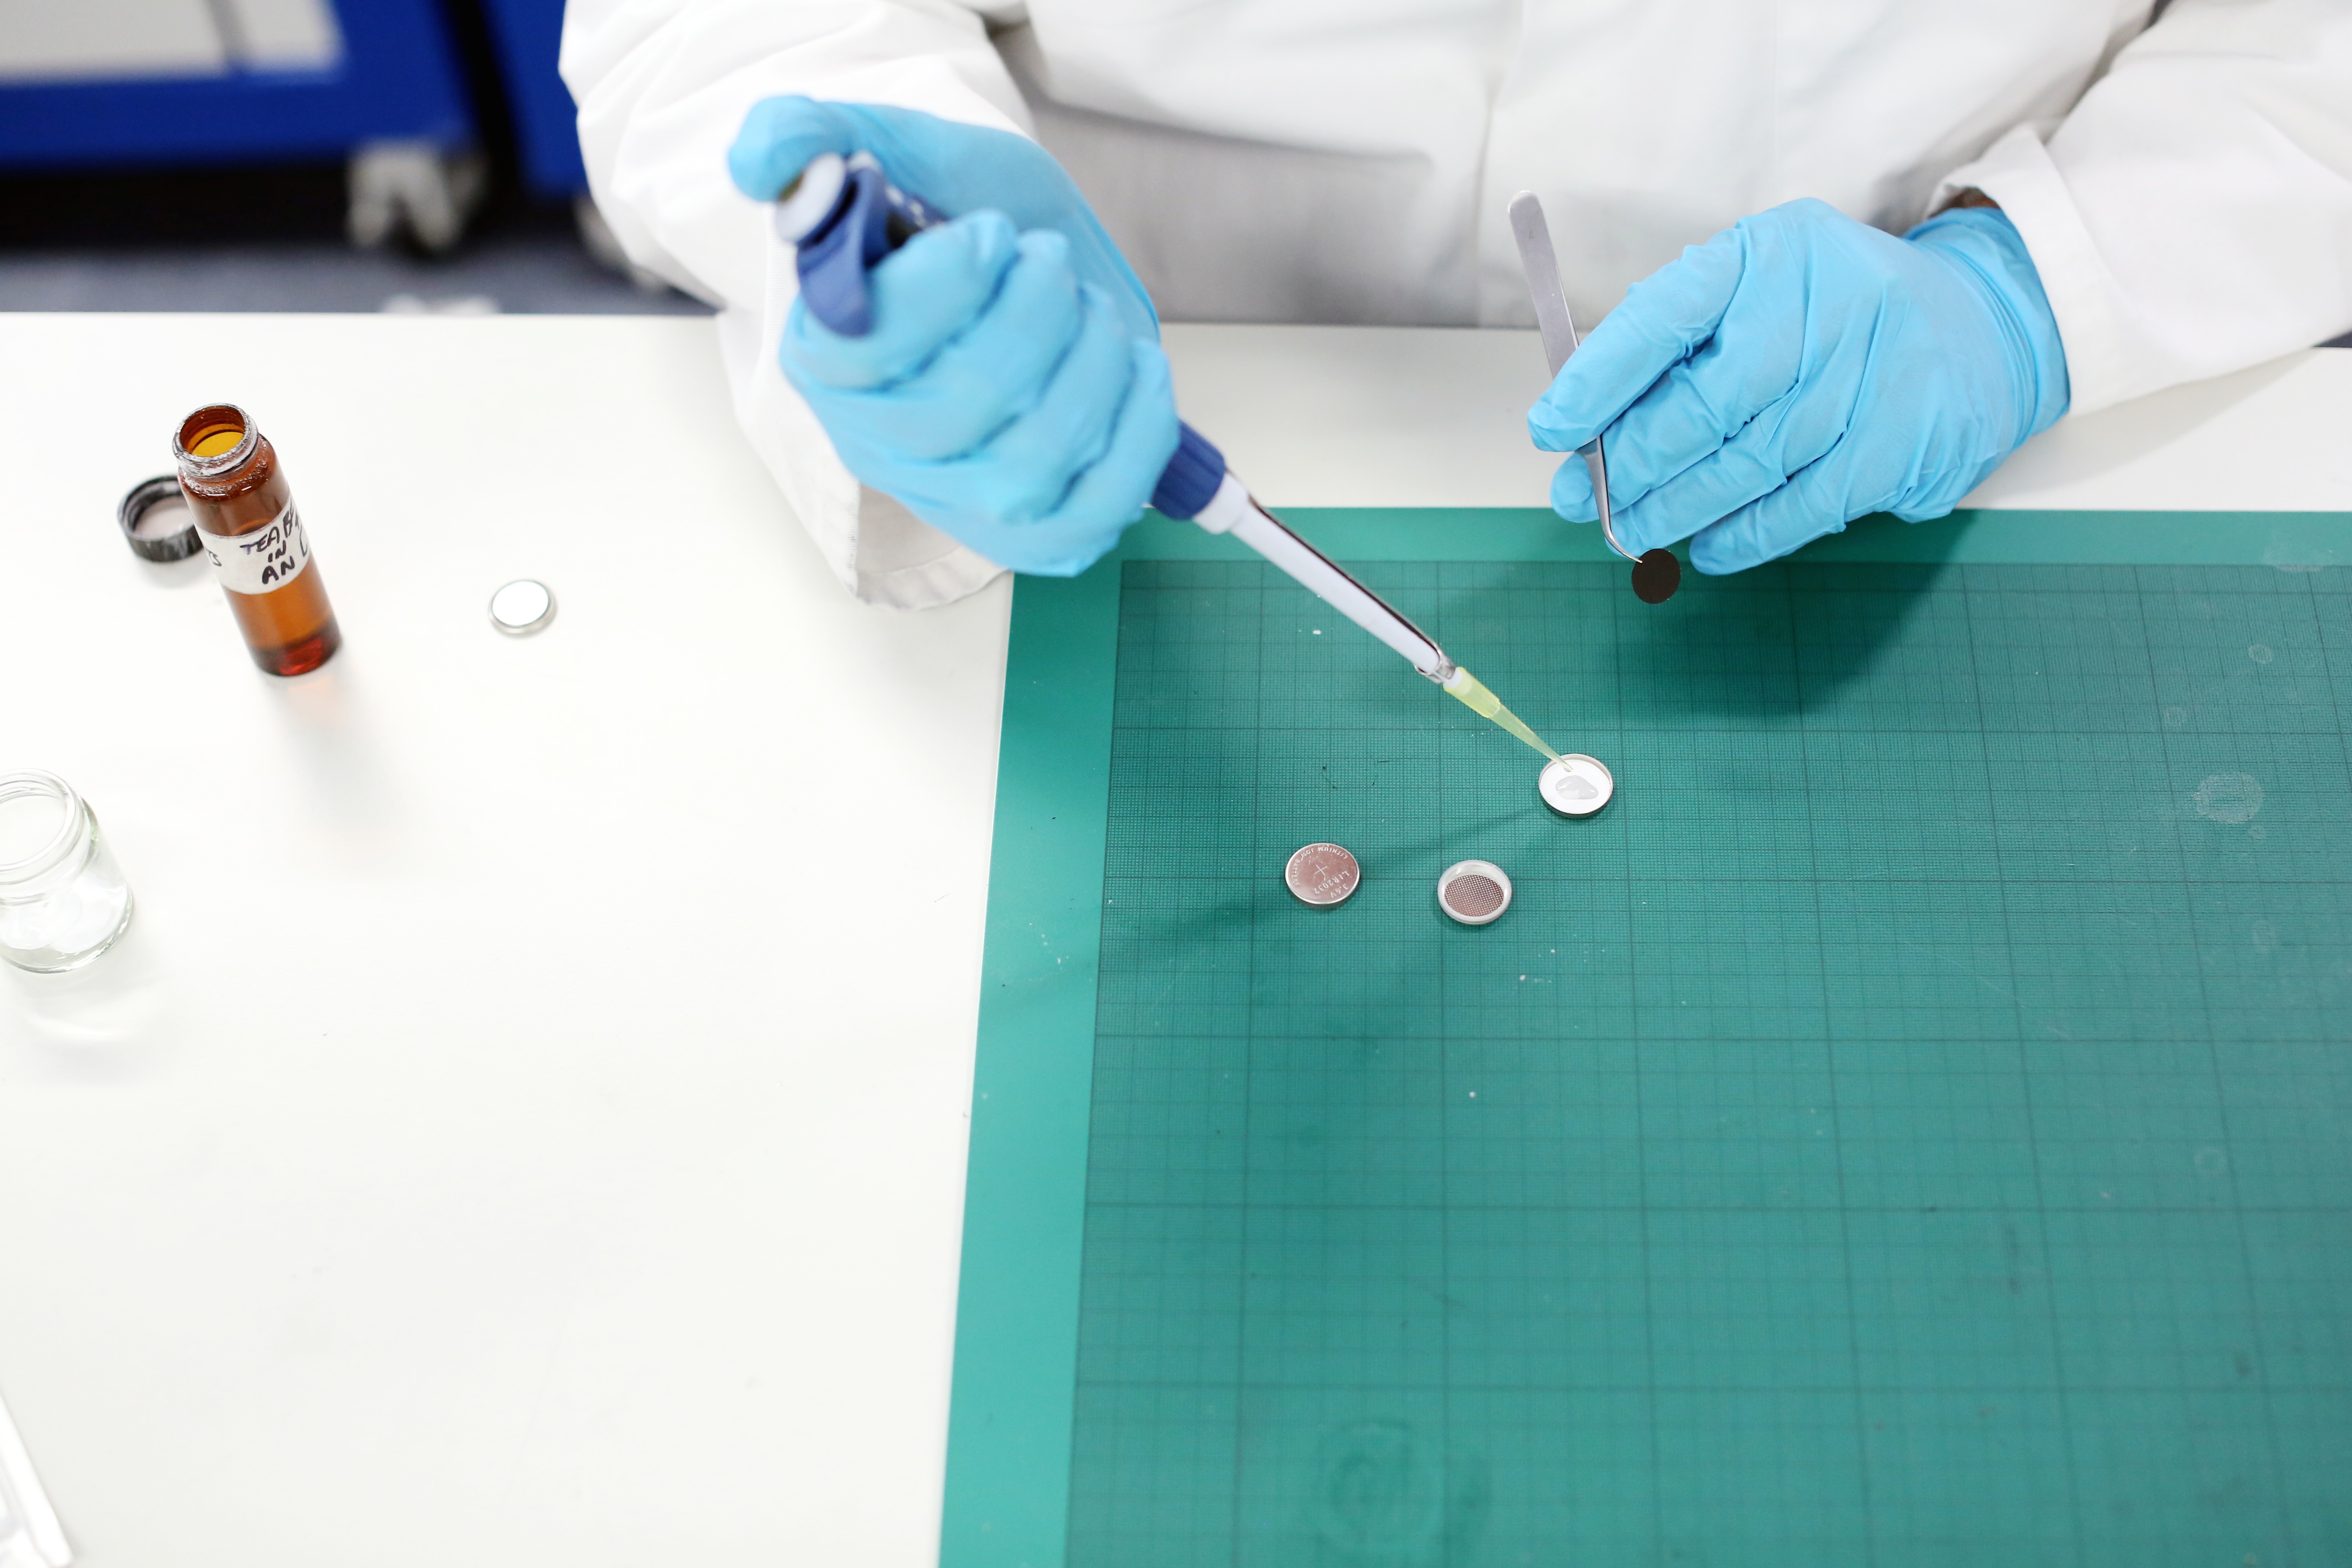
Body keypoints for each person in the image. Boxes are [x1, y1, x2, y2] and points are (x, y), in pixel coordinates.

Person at [562, 0, 2352, 608]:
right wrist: (908, 245)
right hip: (1134, 383)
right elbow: (736, 27)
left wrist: (2037, 287)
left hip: (1926, 404)